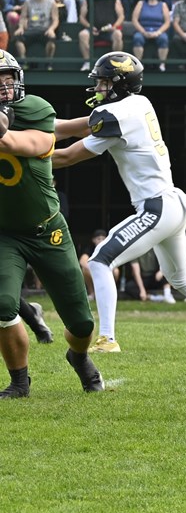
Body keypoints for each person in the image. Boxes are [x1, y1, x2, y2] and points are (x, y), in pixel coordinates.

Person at [49, 53, 186, 353]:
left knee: (99, 260)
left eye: (104, 82)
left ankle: (107, 338)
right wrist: (26, 132)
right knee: (183, 279)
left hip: (156, 206)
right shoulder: (138, 104)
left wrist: (21, 155)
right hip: (171, 204)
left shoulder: (117, 115)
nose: (98, 88)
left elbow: (66, 156)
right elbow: (74, 126)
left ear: (119, 84)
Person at [0, 50, 102, 398]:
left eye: (7, 77)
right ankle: (19, 381)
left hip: (48, 229)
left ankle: (79, 355)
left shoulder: (34, 109)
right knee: (2, 305)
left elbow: (34, 142)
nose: (4, 85)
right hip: (4, 233)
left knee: (81, 322)